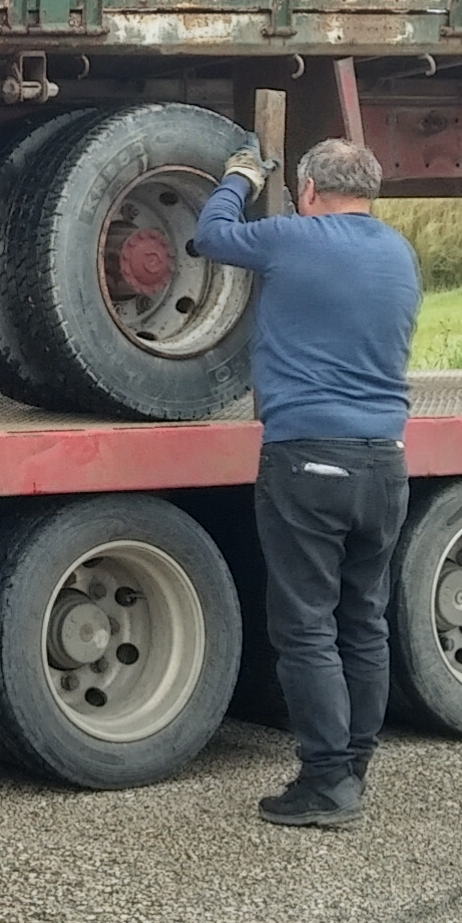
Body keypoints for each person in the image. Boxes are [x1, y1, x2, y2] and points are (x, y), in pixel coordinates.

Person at [188, 133, 423, 829]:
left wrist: (238, 177)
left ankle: (325, 782)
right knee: (363, 620)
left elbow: (210, 236)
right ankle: (353, 767)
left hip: (309, 458)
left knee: (307, 626)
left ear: (310, 190)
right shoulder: (399, 253)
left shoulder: (293, 237)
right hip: (386, 460)